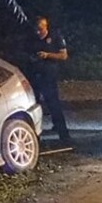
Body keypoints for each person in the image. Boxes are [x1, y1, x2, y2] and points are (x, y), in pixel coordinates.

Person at [29, 15, 71, 144]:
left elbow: (64, 55)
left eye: (40, 29)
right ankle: (34, 137)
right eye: (36, 29)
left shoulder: (55, 37)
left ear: (46, 27)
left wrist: (48, 55)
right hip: (34, 76)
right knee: (33, 106)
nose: (37, 32)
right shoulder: (31, 39)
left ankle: (63, 134)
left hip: (49, 76)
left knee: (53, 104)